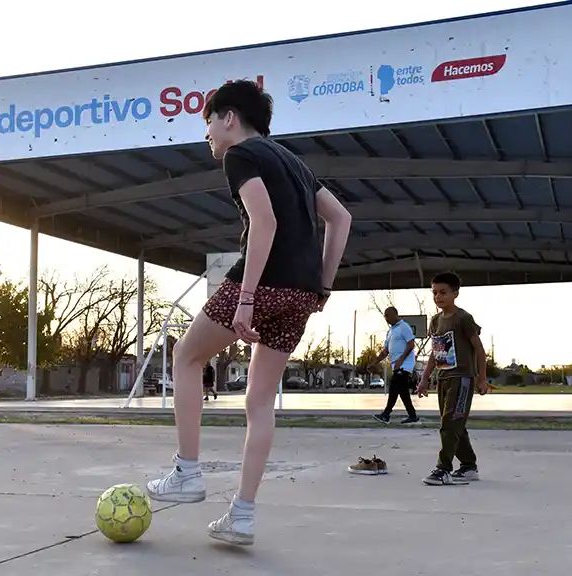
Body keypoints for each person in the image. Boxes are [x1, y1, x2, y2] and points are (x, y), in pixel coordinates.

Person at [145, 79, 352, 546]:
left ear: (230, 118)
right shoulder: (295, 163)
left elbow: (266, 221)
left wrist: (246, 297)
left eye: (209, 125)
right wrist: (323, 285)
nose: (208, 137)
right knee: (258, 403)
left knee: (186, 356)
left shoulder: (242, 155)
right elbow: (341, 219)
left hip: (263, 284)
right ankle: (241, 515)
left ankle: (187, 473)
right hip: (302, 292)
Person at [417, 271, 488, 486]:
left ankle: (443, 469)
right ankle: (468, 466)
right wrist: (424, 378)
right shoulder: (436, 320)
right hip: (444, 378)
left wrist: (481, 378)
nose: (438, 297)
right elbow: (434, 353)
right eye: (435, 293)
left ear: (455, 294)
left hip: (462, 379)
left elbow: (480, 350)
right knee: (454, 425)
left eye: (443, 292)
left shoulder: (463, 319)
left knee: (450, 424)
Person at [372, 306, 419, 424]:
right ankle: (412, 416)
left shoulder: (404, 327)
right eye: (385, 316)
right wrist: (374, 363)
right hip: (397, 365)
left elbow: (411, 344)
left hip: (405, 364)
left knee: (394, 386)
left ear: (395, 314)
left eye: (387, 316)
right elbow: (385, 351)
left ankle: (386, 414)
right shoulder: (390, 331)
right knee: (402, 391)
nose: (386, 319)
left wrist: (401, 360)